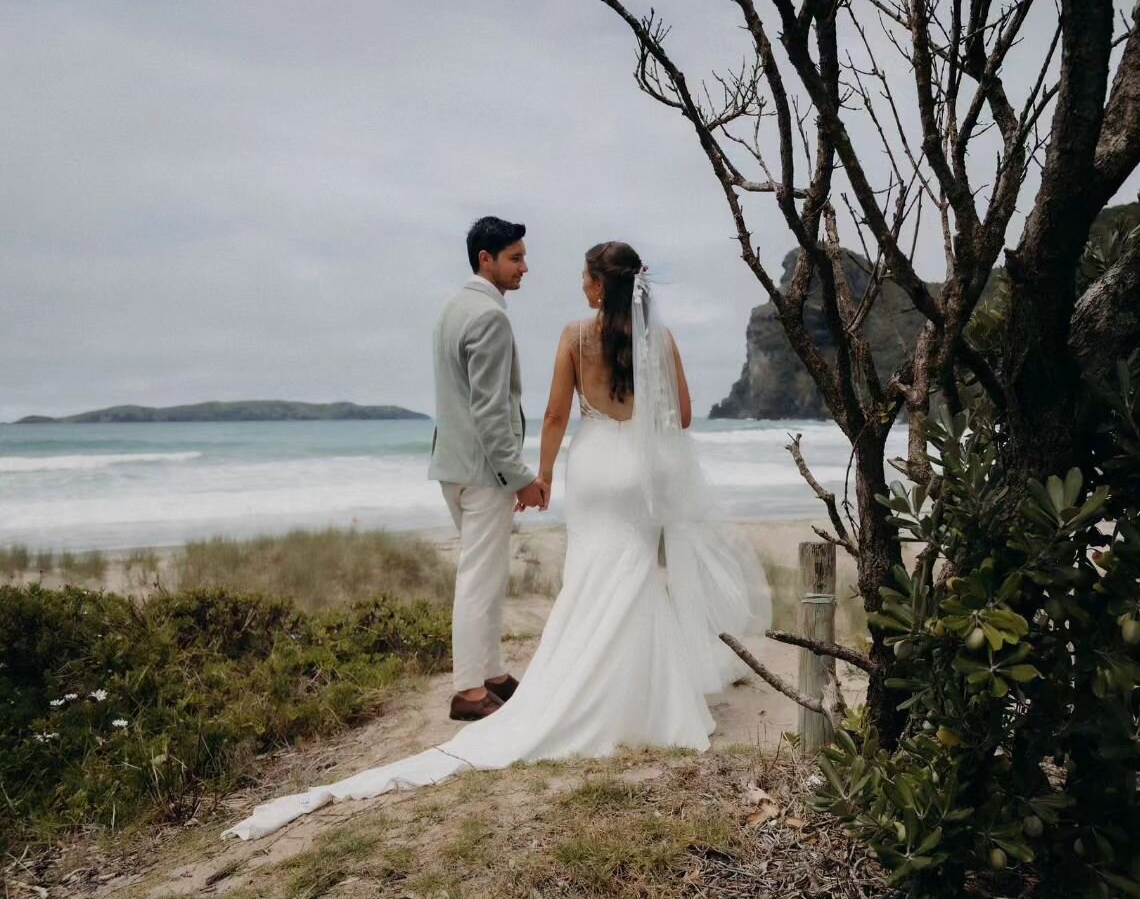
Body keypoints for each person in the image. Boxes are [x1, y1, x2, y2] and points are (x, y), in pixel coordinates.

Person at [223, 240, 770, 840]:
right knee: (636, 575)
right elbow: (684, 416)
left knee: (591, 576)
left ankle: (577, 683)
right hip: (641, 473)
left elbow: (557, 416)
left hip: (595, 473)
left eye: (584, 277)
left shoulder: (573, 336)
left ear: (598, 284)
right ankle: (650, 701)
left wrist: (544, 474)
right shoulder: (660, 341)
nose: (580, 286)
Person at [427, 216, 549, 723]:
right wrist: (519, 475)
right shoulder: (490, 317)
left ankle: (493, 673)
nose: (525, 267)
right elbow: (490, 410)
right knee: (479, 580)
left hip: (453, 467)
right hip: (482, 473)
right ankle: (468, 691)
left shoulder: (452, 308)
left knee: (488, 575)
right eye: (515, 258)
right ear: (487, 260)